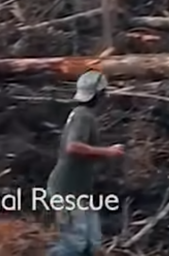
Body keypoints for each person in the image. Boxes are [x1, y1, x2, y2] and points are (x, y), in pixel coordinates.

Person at [46, 69, 123, 256]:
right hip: (67, 191)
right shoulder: (82, 116)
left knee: (92, 243)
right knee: (74, 246)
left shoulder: (81, 114)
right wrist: (108, 152)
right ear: (100, 94)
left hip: (79, 191)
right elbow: (73, 147)